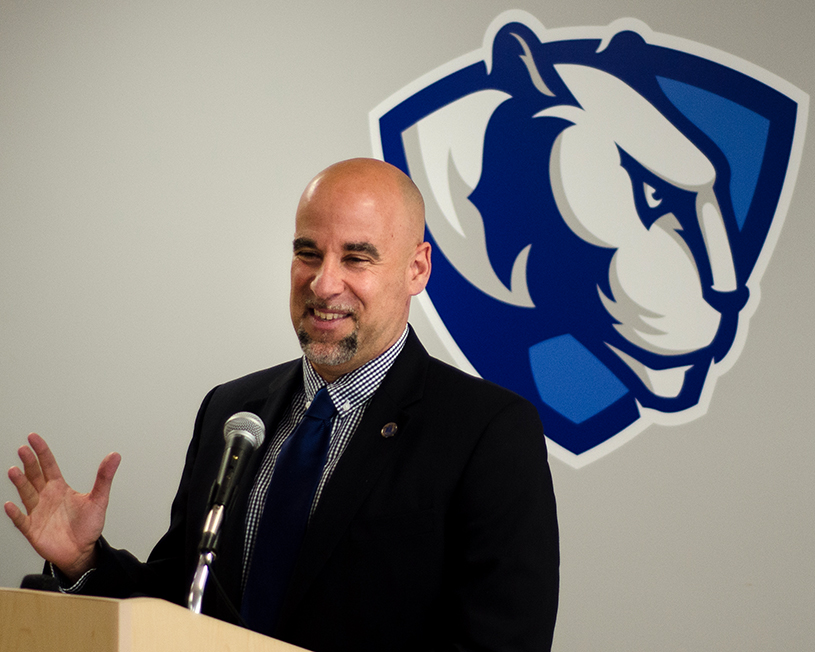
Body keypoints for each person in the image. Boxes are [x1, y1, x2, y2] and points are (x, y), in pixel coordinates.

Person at [6, 158, 559, 651]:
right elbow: (186, 601)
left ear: (417, 269)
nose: (323, 283)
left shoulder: (487, 431)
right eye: (307, 253)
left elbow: (503, 638)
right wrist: (84, 561)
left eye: (357, 258)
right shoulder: (232, 412)